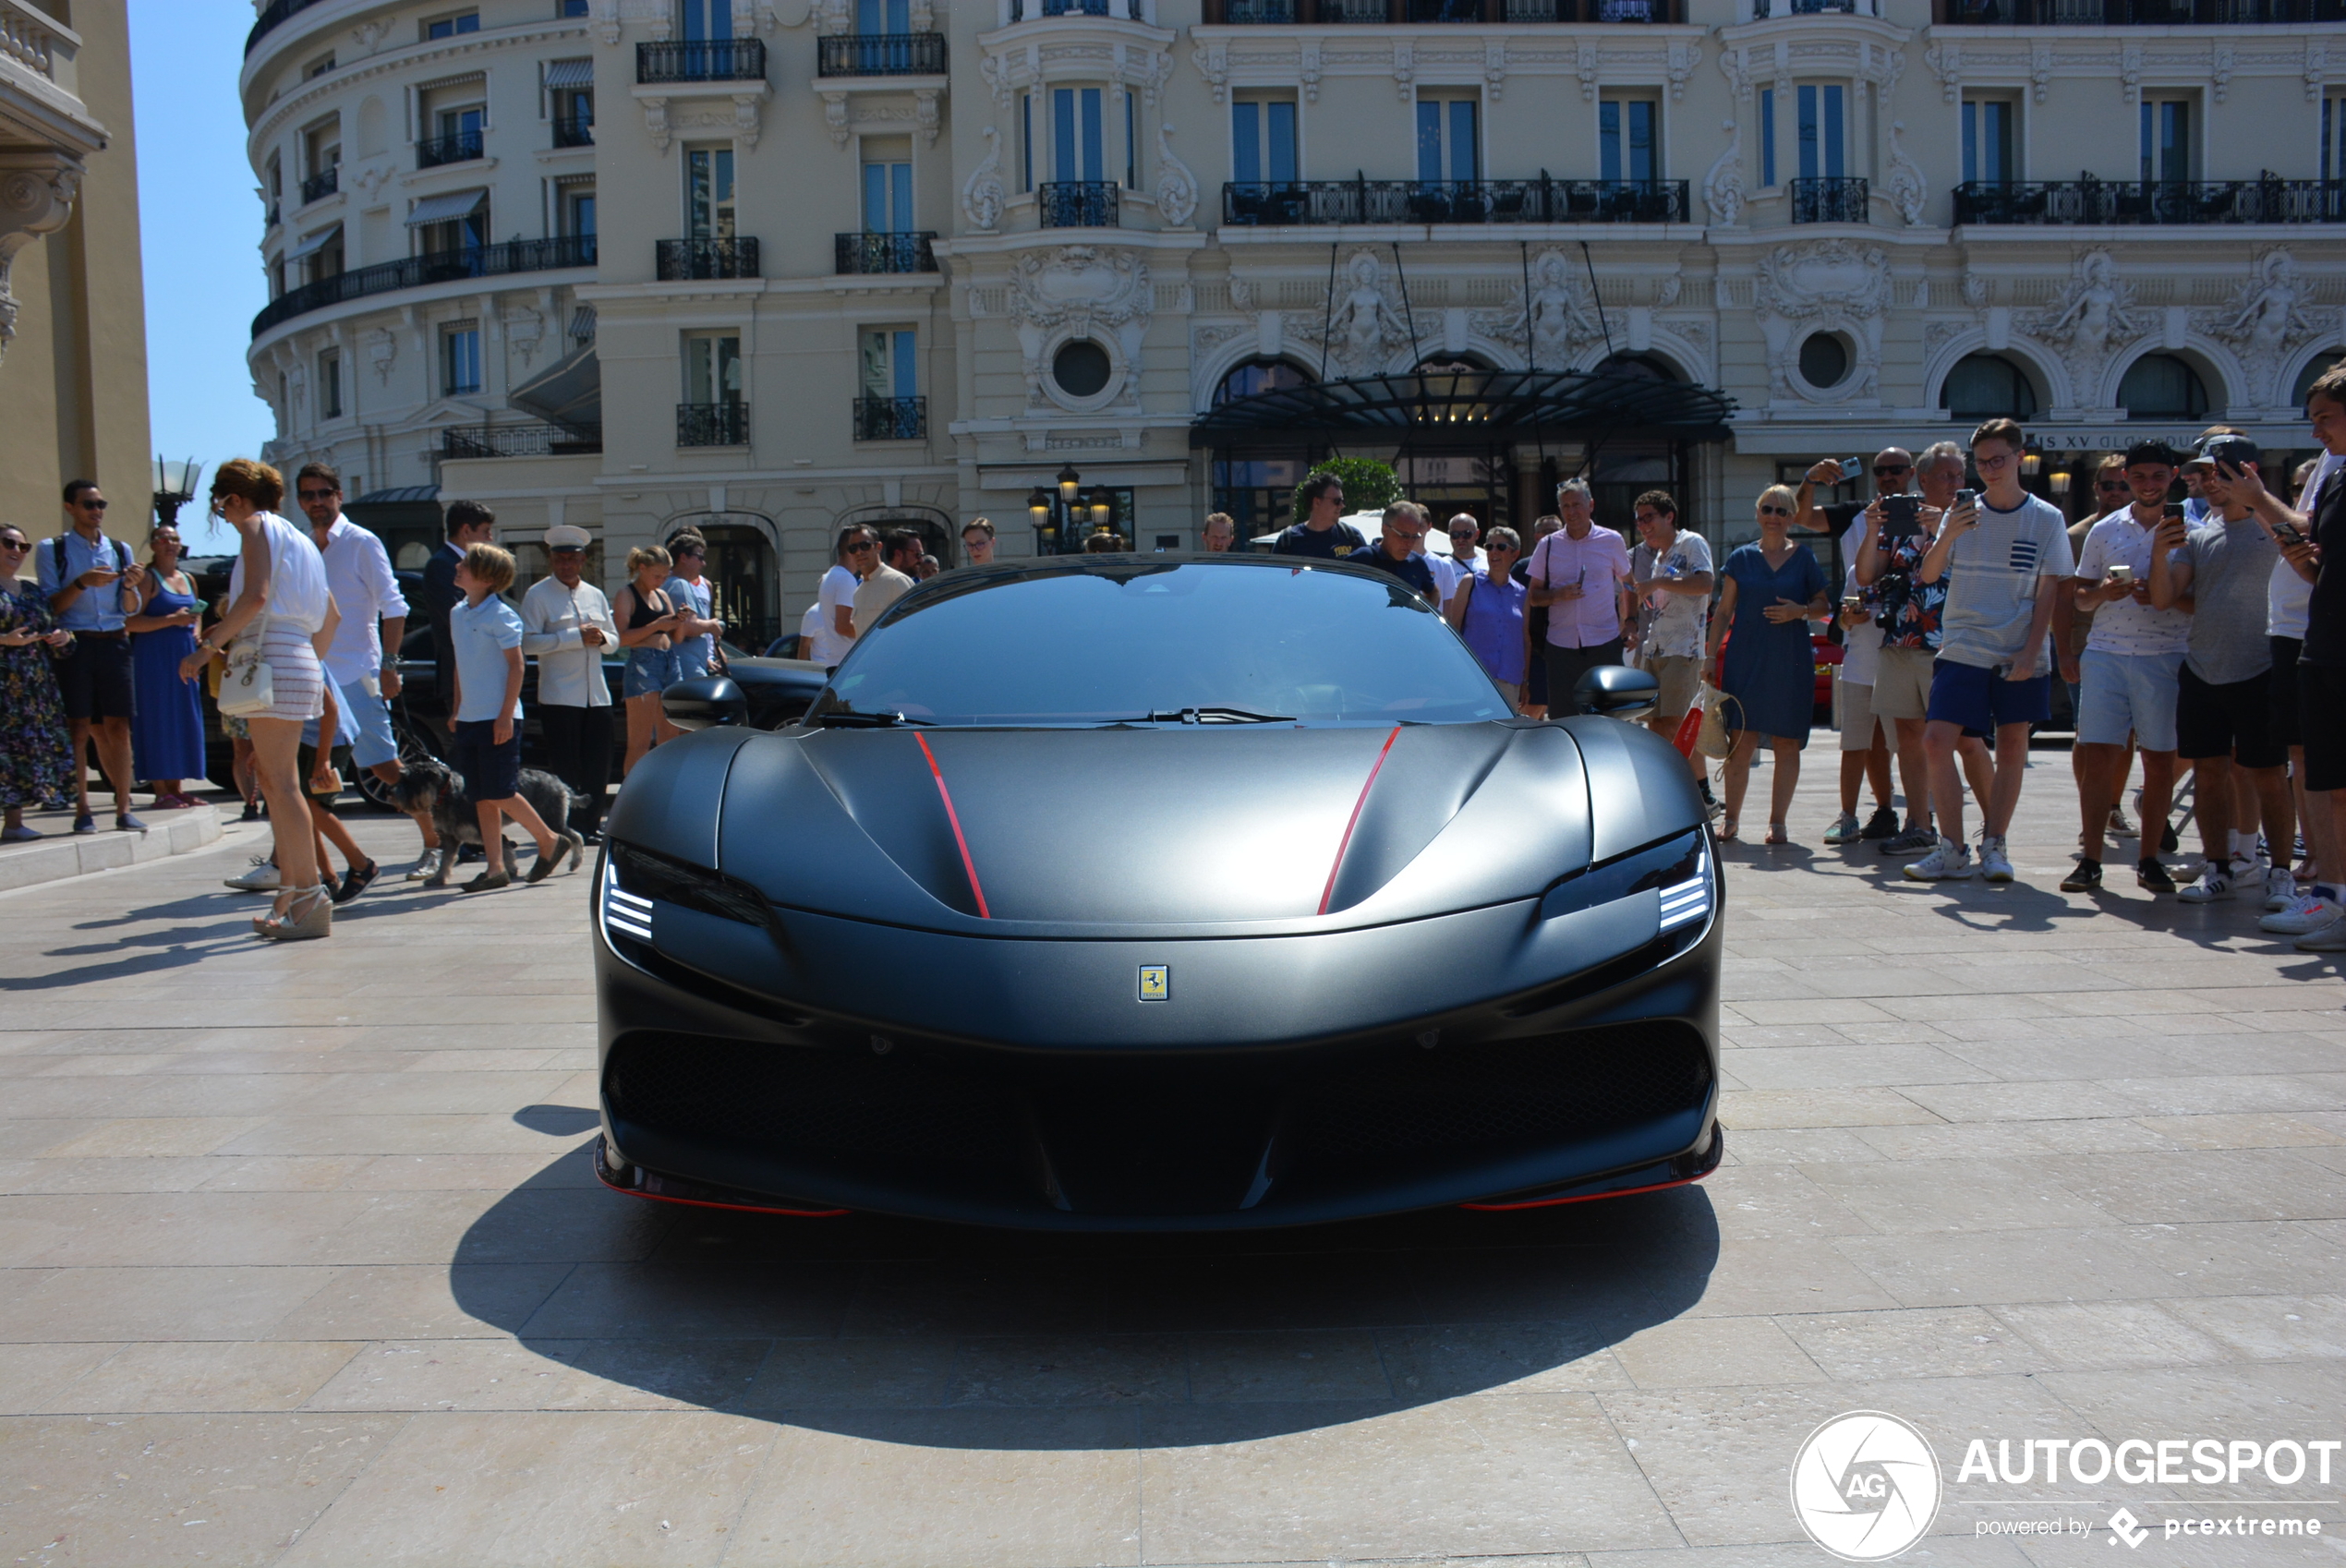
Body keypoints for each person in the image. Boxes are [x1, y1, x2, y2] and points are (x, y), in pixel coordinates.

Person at [178, 459, 342, 940]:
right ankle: (293, 893)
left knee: (282, 784)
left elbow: (255, 597)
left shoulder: (254, 527)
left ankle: (309, 895)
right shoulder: (301, 540)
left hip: (272, 658)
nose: (223, 515)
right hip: (295, 658)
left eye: (221, 505)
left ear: (234, 498)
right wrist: (306, 661)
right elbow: (331, 616)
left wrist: (206, 648)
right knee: (276, 781)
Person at [1907, 417, 2074, 884]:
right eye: (1980, 463)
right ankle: (1952, 849)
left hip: (2019, 649)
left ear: (2020, 457)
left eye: (1998, 460)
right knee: (1936, 741)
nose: (1989, 470)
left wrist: (2032, 651)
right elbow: (1928, 575)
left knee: (2013, 746)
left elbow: (2049, 589)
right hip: (1962, 643)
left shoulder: (2046, 518)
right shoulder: (1961, 513)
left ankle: (1995, 844)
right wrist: (1948, 534)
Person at [2228, 379, 2346, 945]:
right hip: (2321, 640)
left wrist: (2255, 499)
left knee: (2329, 775)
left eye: (2325, 416)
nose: (2315, 430)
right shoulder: (2337, 472)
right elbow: (2317, 553)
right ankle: (2330, 895)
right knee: (2324, 774)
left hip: (2328, 644)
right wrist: (2304, 565)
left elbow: (2307, 533)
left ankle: (2330, 895)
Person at [2150, 435, 2291, 905]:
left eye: (2217, 471)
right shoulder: (2200, 533)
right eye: (2202, 473)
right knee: (2209, 773)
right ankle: (2219, 867)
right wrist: (2157, 552)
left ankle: (2280, 874)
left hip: (2260, 669)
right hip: (2203, 669)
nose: (2206, 482)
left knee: (2266, 775)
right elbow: (2166, 598)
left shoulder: (2275, 528)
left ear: (2246, 471)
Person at [1855, 440, 1997, 859]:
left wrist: (1943, 528)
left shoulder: (1974, 519)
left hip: (1952, 645)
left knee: (1967, 740)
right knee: (1909, 738)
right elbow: (1867, 575)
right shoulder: (1902, 522)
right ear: (1923, 478)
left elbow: (1984, 570)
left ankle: (1994, 829)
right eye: (1946, 476)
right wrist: (1873, 529)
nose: (1955, 484)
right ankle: (1920, 824)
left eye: (1959, 476)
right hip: (1901, 640)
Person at [2061, 441, 2191, 895]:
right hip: (2107, 652)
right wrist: (2103, 595)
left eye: (2157, 476)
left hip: (2166, 654)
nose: (2148, 485)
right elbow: (2079, 596)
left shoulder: (2189, 529)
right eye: (2139, 477)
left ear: (2172, 476)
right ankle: (2091, 858)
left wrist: (2163, 592)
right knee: (2098, 757)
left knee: (2158, 760)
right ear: (2127, 478)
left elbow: (2196, 601)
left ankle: (2150, 858)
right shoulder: (2106, 529)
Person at [296, 464, 430, 885]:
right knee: (300, 774)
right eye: (308, 495)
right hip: (313, 677)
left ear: (338, 494)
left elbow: (395, 607)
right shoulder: (302, 547)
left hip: (356, 673)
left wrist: (390, 666)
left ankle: (435, 841)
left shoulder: (361, 542)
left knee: (385, 767)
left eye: (323, 493)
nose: (316, 502)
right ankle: (290, 860)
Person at [447, 542, 580, 891]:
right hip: (470, 718)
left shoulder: (502, 615)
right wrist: (457, 708)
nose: (458, 566)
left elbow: (516, 665)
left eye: (466, 563)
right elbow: (461, 665)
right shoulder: (458, 613)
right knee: (480, 795)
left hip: (498, 717)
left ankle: (548, 840)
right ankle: (495, 869)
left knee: (500, 789)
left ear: (487, 578)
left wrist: (505, 715)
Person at [1706, 485, 1829, 843]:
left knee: (1787, 741)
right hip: (1746, 658)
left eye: (1782, 511)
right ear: (1758, 514)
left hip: (1790, 660)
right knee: (1740, 741)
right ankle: (1731, 820)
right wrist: (1710, 656)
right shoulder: (1742, 559)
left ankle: (1778, 822)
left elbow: (1823, 604)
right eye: (1767, 509)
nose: (1774, 517)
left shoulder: (1804, 558)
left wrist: (1800, 611)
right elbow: (1724, 611)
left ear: (1792, 518)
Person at [37, 479, 146, 833]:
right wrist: (81, 583)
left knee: (119, 725)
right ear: (70, 508)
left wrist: (129, 587)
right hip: (75, 643)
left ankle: (124, 807)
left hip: (114, 640)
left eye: (101, 504)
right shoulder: (52, 549)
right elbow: (51, 606)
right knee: (78, 727)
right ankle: (82, 807)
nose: (96, 511)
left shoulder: (119, 548)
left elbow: (129, 608)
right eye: (88, 505)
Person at [2058, 455, 2139, 843]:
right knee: (2087, 735)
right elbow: (2063, 599)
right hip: (2088, 646)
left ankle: (2113, 806)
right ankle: (2092, 807)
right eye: (2107, 486)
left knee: (2129, 738)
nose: (2115, 493)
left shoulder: (2152, 531)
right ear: (2096, 489)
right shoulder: (2077, 536)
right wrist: (2064, 652)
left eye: (2120, 485)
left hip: (2142, 645)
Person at [521, 525, 619, 841]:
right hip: (560, 694)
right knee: (567, 766)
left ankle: (591, 824)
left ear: (583, 560)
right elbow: (528, 643)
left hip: (596, 694)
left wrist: (601, 637)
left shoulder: (596, 594)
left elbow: (615, 640)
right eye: (559, 559)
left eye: (572, 559)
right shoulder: (538, 595)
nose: (566, 565)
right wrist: (574, 638)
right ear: (551, 560)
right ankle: (569, 825)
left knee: (598, 764)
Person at [1623, 491, 1715, 800]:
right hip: (1656, 647)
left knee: (1678, 723)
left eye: (1649, 517)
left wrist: (1657, 583)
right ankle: (1672, 790)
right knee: (1657, 724)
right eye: (1638, 520)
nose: (1643, 526)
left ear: (1669, 517)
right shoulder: (1659, 557)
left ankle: (1702, 792)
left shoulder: (1691, 542)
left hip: (1683, 648)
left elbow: (1705, 583)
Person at [1526, 478, 1633, 717]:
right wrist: (1557, 595)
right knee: (1565, 719)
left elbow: (1629, 585)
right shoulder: (1548, 545)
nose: (1571, 512)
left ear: (1591, 505)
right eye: (1565, 506)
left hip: (1604, 643)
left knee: (1609, 718)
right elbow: (1533, 596)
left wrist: (1631, 622)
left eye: (1577, 504)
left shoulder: (1612, 540)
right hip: (1561, 647)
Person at [125, 524, 208, 809]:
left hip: (184, 656)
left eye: (174, 538)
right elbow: (130, 622)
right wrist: (171, 620)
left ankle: (178, 787)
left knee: (184, 718)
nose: (170, 543)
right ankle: (161, 790)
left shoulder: (188, 578)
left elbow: (196, 615)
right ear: (153, 545)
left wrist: (196, 630)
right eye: (163, 538)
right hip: (154, 657)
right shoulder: (148, 579)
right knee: (157, 718)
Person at [0, 524, 74, 842]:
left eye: (23, 546)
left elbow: (57, 633)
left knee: (21, 755)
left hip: (33, 689)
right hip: (4, 683)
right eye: (8, 543)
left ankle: (14, 823)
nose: (17, 551)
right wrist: (4, 640)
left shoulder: (32, 593)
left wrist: (62, 637)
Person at [1825, 563, 1898, 846]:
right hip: (1858, 668)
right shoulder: (1859, 571)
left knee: (1899, 747)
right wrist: (1848, 620)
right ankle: (1848, 817)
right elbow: (1839, 624)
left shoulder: (1910, 563)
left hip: (1896, 666)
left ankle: (1905, 817)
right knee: (1854, 746)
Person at [614, 545, 680, 777]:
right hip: (643, 663)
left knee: (671, 738)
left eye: (665, 576)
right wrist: (657, 626)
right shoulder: (626, 594)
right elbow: (620, 638)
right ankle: (631, 800)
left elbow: (676, 636)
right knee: (640, 742)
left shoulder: (662, 595)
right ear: (642, 568)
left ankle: (664, 793)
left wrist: (679, 620)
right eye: (657, 575)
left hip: (670, 661)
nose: (661, 581)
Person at [425, 501, 496, 713]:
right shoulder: (442, 566)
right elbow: (461, 618)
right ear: (466, 531)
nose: (490, 539)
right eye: (485, 532)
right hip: (463, 679)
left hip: (484, 675)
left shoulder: (478, 567)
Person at [1446, 525, 1526, 708]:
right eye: (1489, 547)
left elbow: (1524, 640)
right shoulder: (1470, 582)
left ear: (1514, 554)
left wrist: (1525, 681)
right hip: (1474, 678)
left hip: (1509, 680)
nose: (1493, 552)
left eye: (1501, 547)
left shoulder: (1522, 593)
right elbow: (1454, 627)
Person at [1515, 514, 1563, 718]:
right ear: (1536, 537)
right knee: (1532, 709)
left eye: (1556, 531)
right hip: (1534, 649)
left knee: (1558, 709)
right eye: (1546, 532)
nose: (1552, 536)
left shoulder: (1570, 565)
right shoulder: (1521, 568)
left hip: (1564, 646)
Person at [661, 530, 723, 681]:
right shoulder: (680, 585)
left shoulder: (667, 583)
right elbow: (688, 625)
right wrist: (711, 625)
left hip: (678, 664)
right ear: (683, 557)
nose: (703, 563)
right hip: (687, 666)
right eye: (699, 557)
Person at [1349, 501, 1438, 598]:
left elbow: (1434, 592)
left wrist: (1422, 613)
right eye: (1404, 536)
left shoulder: (1416, 563)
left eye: (1414, 537)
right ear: (1385, 530)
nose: (1409, 543)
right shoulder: (1363, 559)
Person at [1271, 473, 1368, 559]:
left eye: (1342, 501)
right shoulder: (1288, 541)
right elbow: (1275, 576)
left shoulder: (1352, 537)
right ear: (1317, 502)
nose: (1342, 506)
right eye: (1337, 501)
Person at [811, 527, 866, 665]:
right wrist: (872, 629)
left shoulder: (830, 576)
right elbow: (843, 626)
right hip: (846, 662)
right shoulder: (845, 579)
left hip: (835, 660)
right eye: (864, 546)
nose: (865, 553)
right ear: (852, 549)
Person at [852, 528, 920, 635]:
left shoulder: (896, 581)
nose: (859, 552)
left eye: (865, 546)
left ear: (878, 547)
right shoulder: (858, 592)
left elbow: (914, 628)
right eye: (853, 548)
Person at [1429, 513, 1481, 610]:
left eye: (1466, 534)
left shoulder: (1489, 564)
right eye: (1455, 535)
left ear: (1477, 534)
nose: (1460, 539)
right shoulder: (1440, 565)